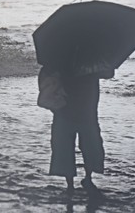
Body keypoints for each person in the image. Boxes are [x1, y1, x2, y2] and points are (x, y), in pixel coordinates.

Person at [48, 66, 105, 196]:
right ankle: (87, 179)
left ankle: (70, 185)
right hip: (86, 109)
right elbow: (108, 73)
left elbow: (48, 73)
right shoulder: (93, 59)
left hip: (65, 109)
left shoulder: (60, 58)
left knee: (64, 147)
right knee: (90, 145)